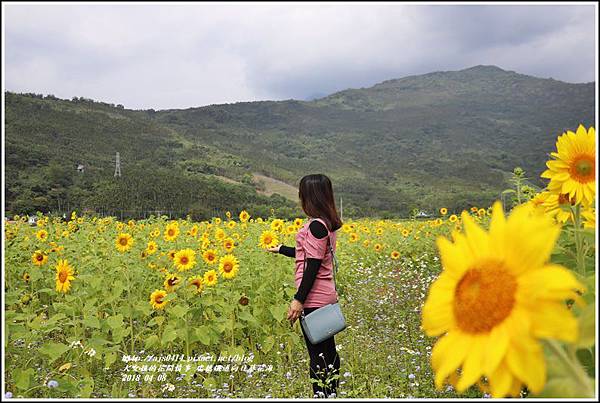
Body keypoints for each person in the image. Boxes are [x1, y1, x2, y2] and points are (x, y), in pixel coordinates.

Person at [266, 173, 343, 398]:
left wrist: (299, 299)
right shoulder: (326, 223)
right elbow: (308, 255)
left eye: (302, 195)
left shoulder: (316, 226)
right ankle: (331, 393)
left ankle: (322, 394)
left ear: (310, 197)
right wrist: (282, 249)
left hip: (314, 299)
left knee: (318, 355)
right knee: (328, 352)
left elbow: (313, 266)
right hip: (324, 295)